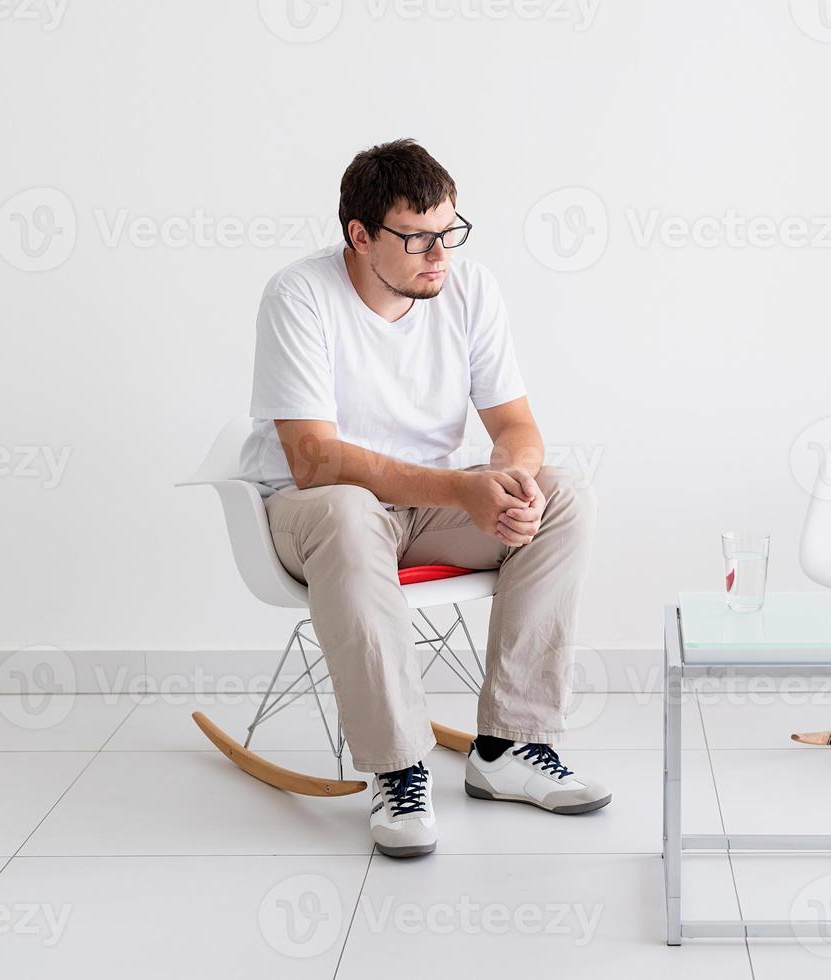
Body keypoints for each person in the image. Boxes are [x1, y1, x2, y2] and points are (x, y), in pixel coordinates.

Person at [238, 139, 608, 858]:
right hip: (313, 511)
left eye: (449, 232)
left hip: (424, 509)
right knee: (348, 509)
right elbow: (314, 460)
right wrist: (460, 488)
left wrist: (515, 481)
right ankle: (398, 765)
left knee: (564, 495)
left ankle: (511, 746)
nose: (439, 254)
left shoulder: (470, 290)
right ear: (360, 235)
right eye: (416, 239)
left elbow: (514, 425)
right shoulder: (299, 294)